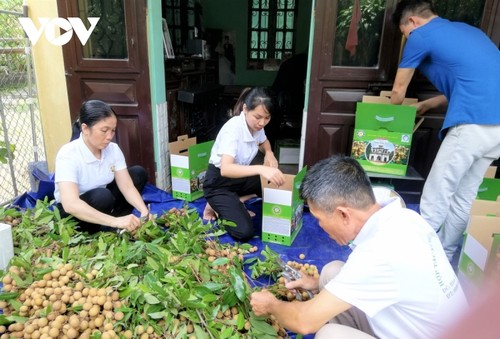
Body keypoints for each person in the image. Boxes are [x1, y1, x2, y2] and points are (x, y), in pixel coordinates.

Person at [250, 155, 468, 338]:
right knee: (331, 273)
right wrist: (315, 285)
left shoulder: (377, 254)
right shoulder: (406, 218)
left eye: (319, 219)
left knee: (329, 335)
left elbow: (304, 322)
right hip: (414, 327)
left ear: (343, 214)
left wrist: (271, 305)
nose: (319, 226)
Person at [390, 0, 500, 260]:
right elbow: (473, 84)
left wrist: (393, 110)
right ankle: (445, 254)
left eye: (404, 32)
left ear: (412, 22)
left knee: (437, 193)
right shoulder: (471, 32)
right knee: (464, 196)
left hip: (471, 124)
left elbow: (397, 92)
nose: (407, 38)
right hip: (496, 127)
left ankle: (416, 259)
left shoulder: (420, 35)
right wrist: (428, 104)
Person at [54, 100, 150, 234]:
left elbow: (127, 186)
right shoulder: (68, 154)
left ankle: (118, 224)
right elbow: (71, 204)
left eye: (113, 131)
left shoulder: (113, 149)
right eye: (104, 131)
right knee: (102, 196)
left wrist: (144, 212)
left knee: (138, 174)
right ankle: (106, 226)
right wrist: (114, 221)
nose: (110, 136)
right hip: (73, 214)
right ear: (85, 129)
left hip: (104, 202)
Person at [202, 87, 285, 241]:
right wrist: (261, 168)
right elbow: (226, 169)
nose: (262, 123)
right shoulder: (232, 130)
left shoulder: (256, 127)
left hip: (239, 179)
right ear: (245, 109)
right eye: (258, 117)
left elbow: (263, 141)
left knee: (274, 181)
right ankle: (216, 203)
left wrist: (269, 153)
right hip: (219, 183)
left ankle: (236, 201)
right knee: (244, 231)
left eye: (267, 118)